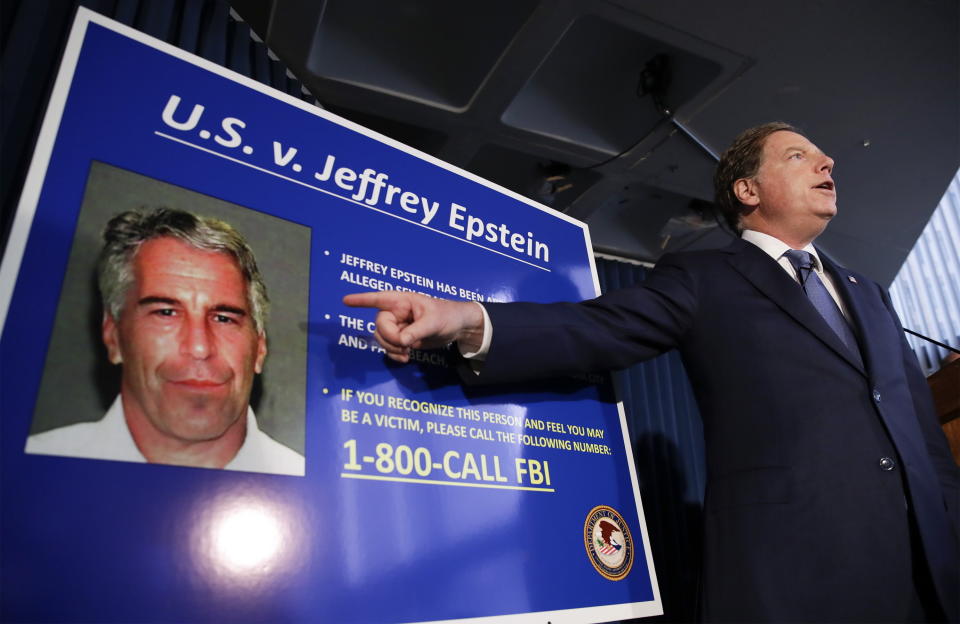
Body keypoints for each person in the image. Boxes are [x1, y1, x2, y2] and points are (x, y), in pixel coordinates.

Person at [345, 123, 959, 622]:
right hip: (799, 570)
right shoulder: (705, 278)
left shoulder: (871, 293)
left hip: (929, 572)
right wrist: (462, 319)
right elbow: (593, 329)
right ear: (748, 190)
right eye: (801, 156)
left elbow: (923, 440)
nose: (827, 165)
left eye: (827, 158)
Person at [26, 208, 304, 476]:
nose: (199, 347)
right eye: (165, 313)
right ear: (113, 337)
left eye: (223, 318)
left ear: (260, 348)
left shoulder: (319, 485)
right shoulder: (25, 471)